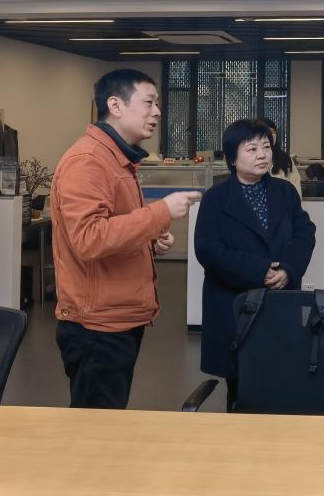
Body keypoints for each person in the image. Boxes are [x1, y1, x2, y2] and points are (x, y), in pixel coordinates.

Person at [51, 69, 201, 409]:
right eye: (149, 102)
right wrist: (160, 213)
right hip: (97, 324)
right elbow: (89, 239)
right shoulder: (89, 160)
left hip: (117, 315)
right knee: (96, 427)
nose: (157, 112)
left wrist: (149, 241)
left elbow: (114, 227)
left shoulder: (116, 157)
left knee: (108, 423)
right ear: (116, 105)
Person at [195, 118, 316, 409]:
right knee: (240, 383)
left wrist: (287, 268)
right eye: (251, 149)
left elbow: (304, 233)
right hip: (233, 302)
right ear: (232, 159)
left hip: (279, 299)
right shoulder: (215, 198)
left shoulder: (284, 192)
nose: (262, 155)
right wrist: (259, 270)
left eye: (266, 147)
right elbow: (208, 250)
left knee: (281, 376)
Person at [256, 115, 301, 197]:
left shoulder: (286, 159)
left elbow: (296, 190)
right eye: (264, 132)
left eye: (272, 132)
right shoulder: (250, 159)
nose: (269, 135)